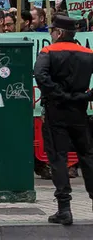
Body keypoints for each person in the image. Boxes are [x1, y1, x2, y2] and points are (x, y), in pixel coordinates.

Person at [34, 15, 93, 225]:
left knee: (58, 158)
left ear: (58, 33)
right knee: (87, 155)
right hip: (79, 109)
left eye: (52, 31)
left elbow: (40, 75)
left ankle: (64, 208)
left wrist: (58, 94)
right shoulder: (88, 53)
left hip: (56, 109)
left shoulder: (48, 52)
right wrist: (86, 96)